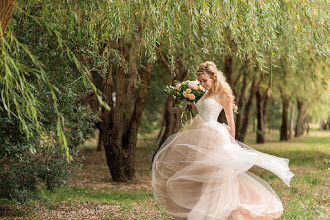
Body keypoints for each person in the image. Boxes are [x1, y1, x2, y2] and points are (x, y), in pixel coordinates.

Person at [152, 61, 294, 220]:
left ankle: (222, 208)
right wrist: (191, 104)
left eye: (205, 80)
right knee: (201, 170)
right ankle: (204, 206)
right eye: (200, 81)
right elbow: (201, 112)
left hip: (215, 135)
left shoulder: (223, 95)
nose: (203, 84)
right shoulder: (203, 94)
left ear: (214, 78)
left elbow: (230, 121)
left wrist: (231, 144)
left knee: (218, 172)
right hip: (200, 134)